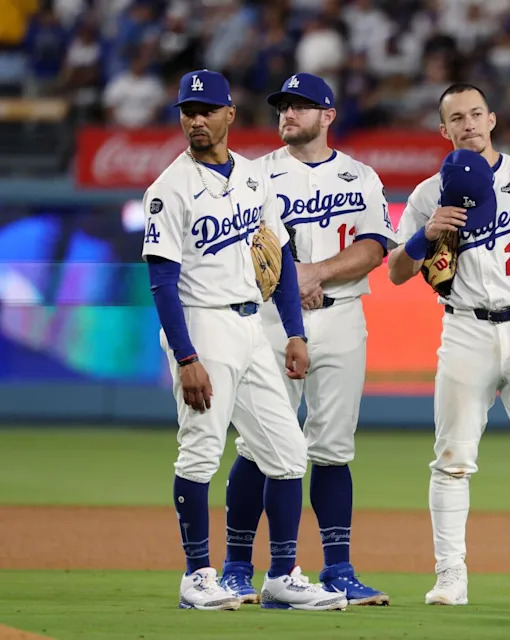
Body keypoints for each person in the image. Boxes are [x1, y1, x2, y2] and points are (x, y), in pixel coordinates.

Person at [142, 69, 346, 612]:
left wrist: (295, 334)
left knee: (287, 452)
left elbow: (277, 261)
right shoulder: (169, 189)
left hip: (252, 326)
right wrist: (186, 357)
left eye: (207, 109)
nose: (196, 119)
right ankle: (197, 577)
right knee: (201, 452)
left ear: (230, 115)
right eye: (188, 111)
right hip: (201, 324)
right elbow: (161, 281)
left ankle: (281, 576)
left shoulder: (254, 178)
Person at [387, 84, 510, 607]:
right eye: (457, 117)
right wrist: (423, 235)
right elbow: (396, 272)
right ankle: (451, 575)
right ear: (444, 130)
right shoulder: (429, 193)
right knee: (451, 459)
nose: (469, 123)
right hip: (464, 328)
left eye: (477, 113)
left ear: (492, 119)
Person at [218, 73, 396, 606]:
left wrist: (315, 273)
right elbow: (243, 245)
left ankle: (338, 568)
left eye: (301, 106)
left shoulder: (360, 176)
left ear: (328, 116)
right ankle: (235, 567)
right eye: (284, 106)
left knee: (334, 449)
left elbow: (374, 248)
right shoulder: (255, 175)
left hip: (342, 319)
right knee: (259, 444)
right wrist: (292, 283)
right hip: (272, 321)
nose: (289, 114)